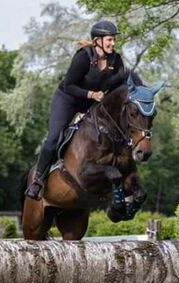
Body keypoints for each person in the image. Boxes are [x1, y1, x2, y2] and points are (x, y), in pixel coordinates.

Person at [25, 20, 125, 200]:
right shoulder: (83, 57)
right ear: (97, 41)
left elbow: (120, 85)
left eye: (114, 40)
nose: (113, 43)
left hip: (91, 104)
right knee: (54, 137)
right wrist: (91, 95)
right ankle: (38, 181)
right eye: (110, 40)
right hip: (68, 99)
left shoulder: (115, 60)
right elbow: (69, 85)